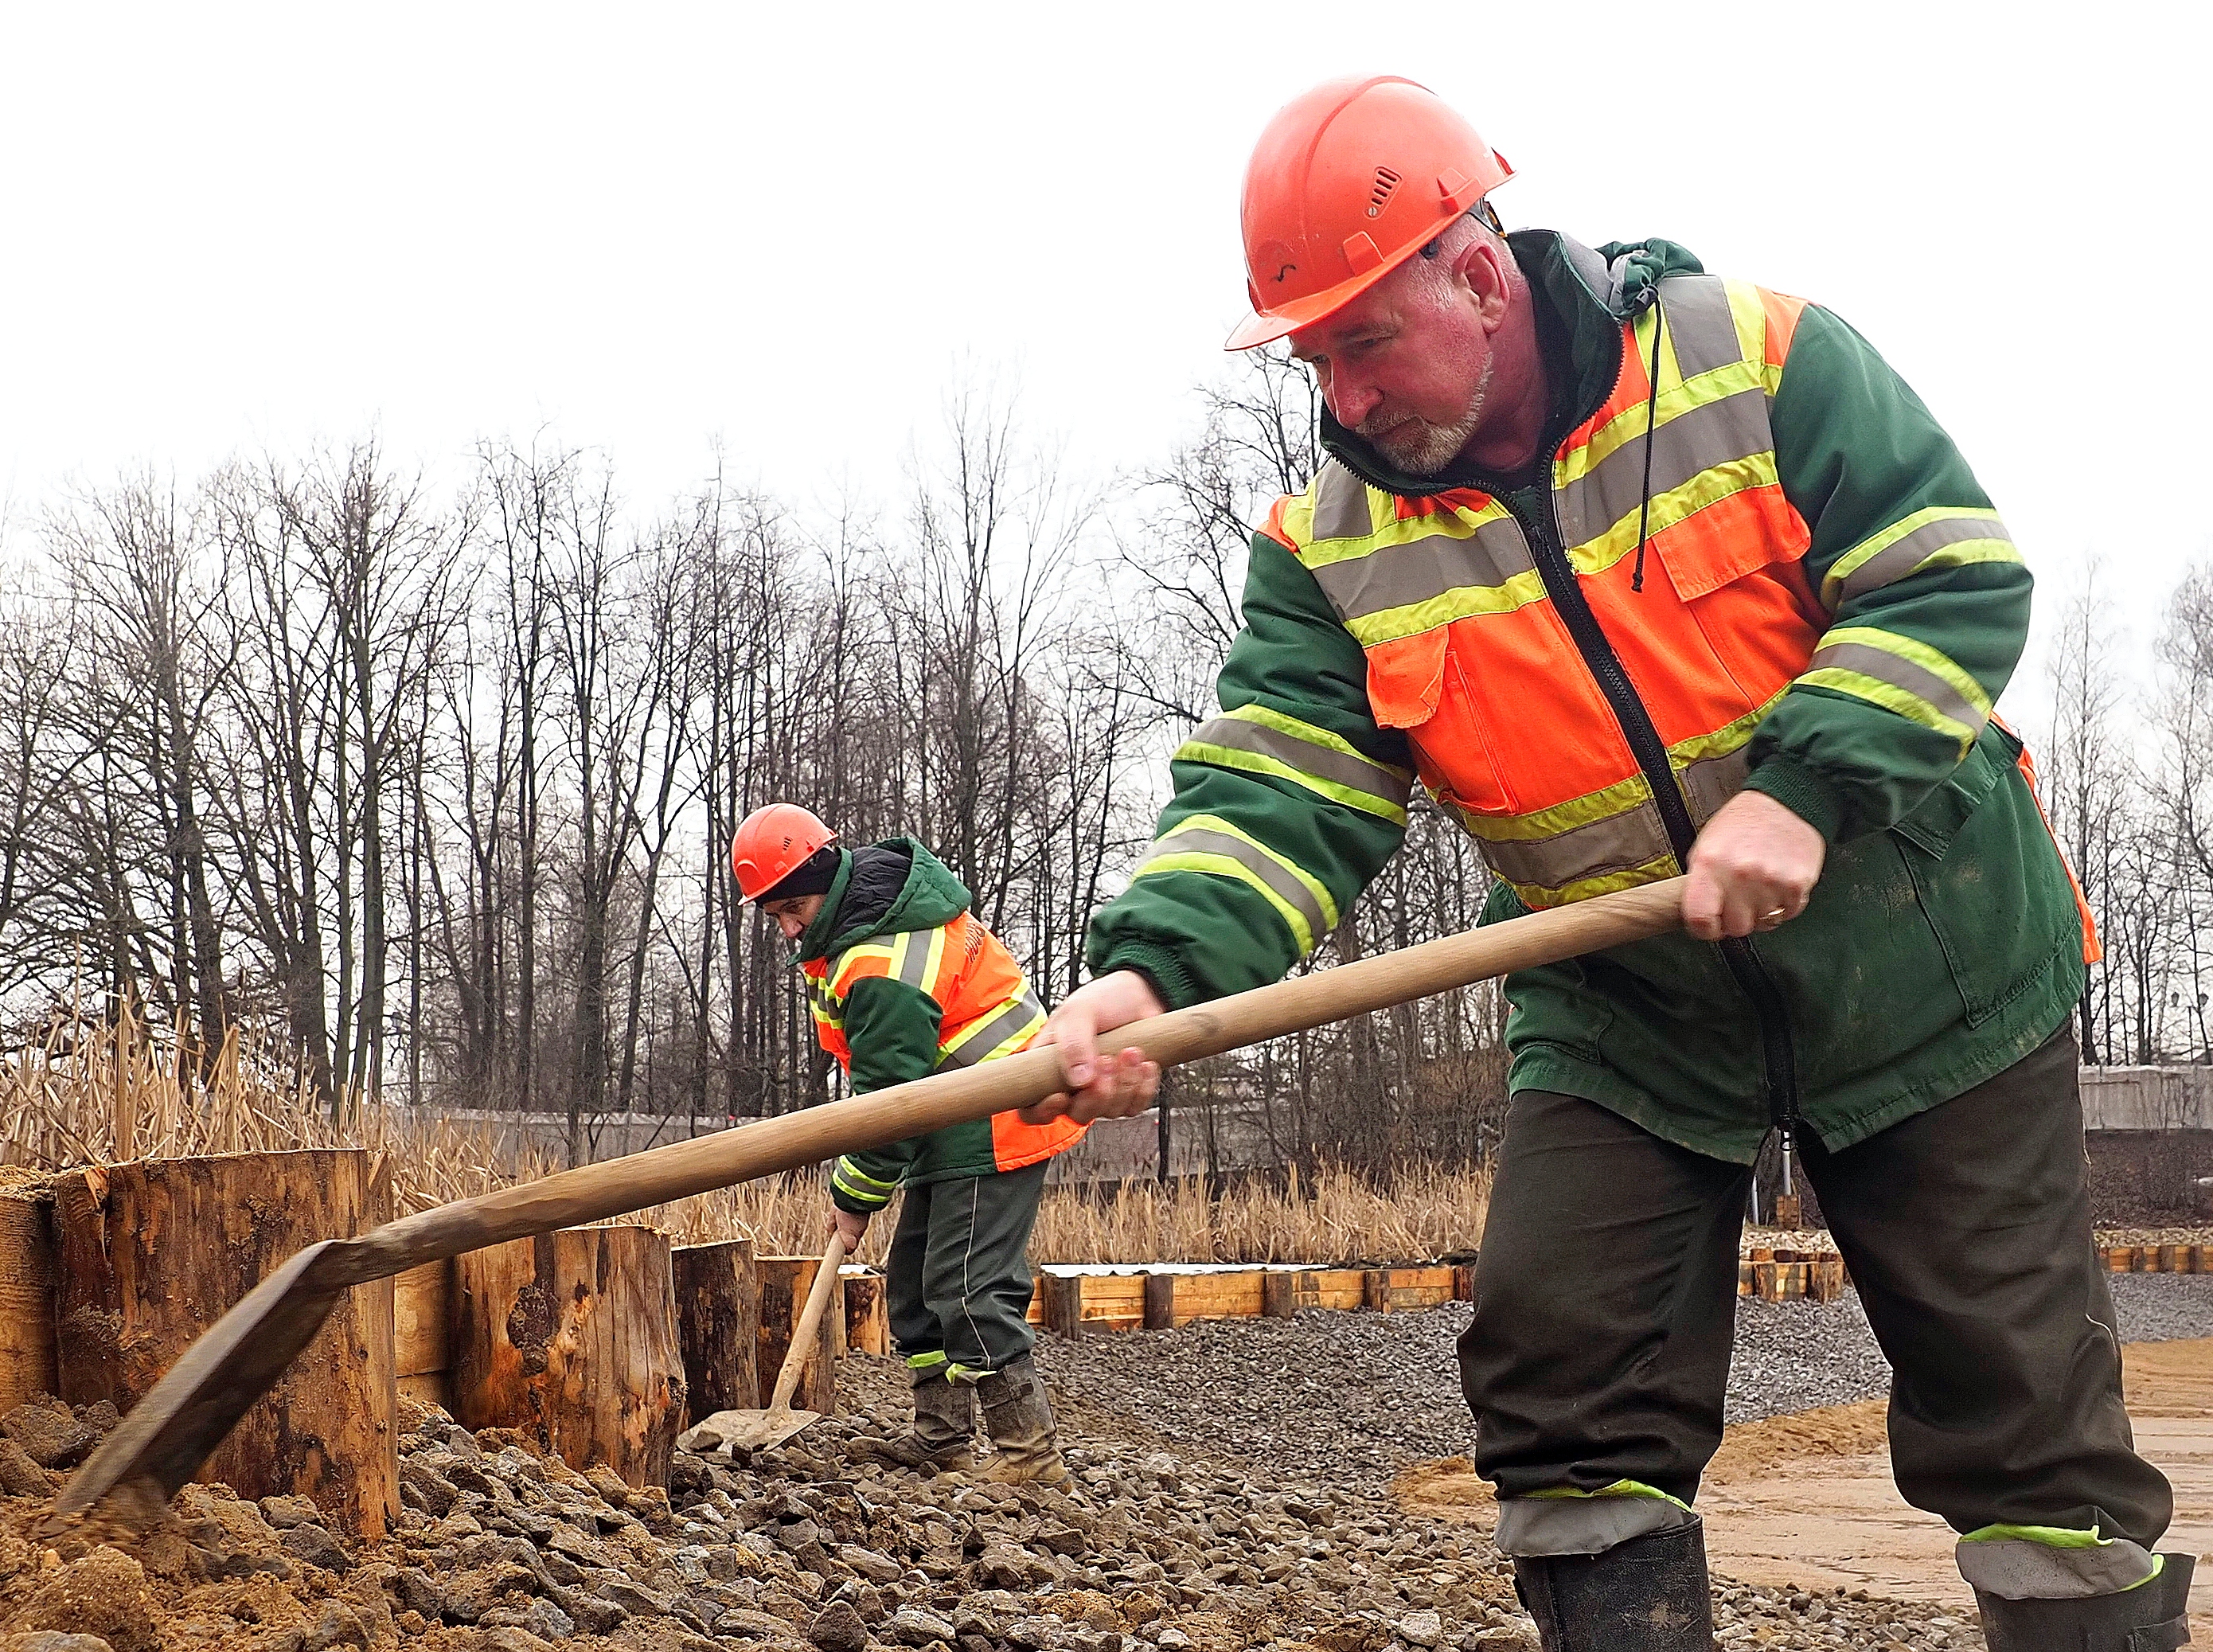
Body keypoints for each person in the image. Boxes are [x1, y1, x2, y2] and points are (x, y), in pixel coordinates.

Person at [1030, 76, 2188, 1651]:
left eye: (1367, 342)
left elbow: (1949, 578)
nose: (1345, 398)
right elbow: (1281, 783)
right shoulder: (1330, 550)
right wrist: (1150, 971)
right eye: (1315, 361)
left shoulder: (1756, 361)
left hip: (1928, 961)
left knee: (2025, 1415)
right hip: (1627, 1005)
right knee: (1562, 1379)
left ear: (1478, 275)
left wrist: (1804, 791)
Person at [729, 803, 1086, 1485]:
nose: (789, 927)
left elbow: (889, 1102)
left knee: (969, 1285)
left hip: (997, 1113)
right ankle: (942, 1437)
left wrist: (853, 1197)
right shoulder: (865, 923)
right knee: (916, 1284)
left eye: (794, 907)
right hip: (950, 1117)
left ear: (827, 874)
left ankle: (1029, 1454)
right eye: (775, 916)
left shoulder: (879, 958)